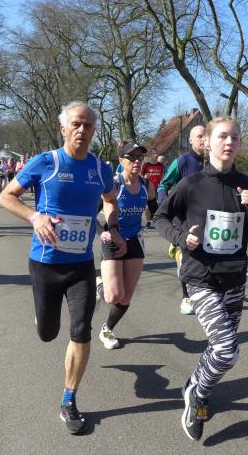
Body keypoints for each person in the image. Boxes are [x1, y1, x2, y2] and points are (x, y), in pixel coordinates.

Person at [0, 101, 125, 436]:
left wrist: (111, 226)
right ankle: (42, 315)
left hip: (81, 265)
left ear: (94, 130)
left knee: (81, 330)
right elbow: (6, 196)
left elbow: (111, 201)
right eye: (76, 124)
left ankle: (69, 398)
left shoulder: (100, 169)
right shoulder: (47, 162)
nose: (82, 130)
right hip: (45, 264)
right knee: (47, 333)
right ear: (63, 128)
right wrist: (35, 217)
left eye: (88, 125)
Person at [153, 116, 248, 441]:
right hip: (201, 277)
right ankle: (197, 395)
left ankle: (195, 385)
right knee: (228, 350)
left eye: (235, 137)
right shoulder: (191, 184)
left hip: (235, 280)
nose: (229, 142)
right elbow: (160, 217)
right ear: (207, 143)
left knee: (219, 348)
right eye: (222, 136)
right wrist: (180, 238)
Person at [96, 141, 157, 350]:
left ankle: (107, 329)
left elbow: (156, 210)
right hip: (113, 239)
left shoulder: (147, 186)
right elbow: (90, 214)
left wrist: (174, 224)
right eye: (131, 157)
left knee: (126, 296)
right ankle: (100, 285)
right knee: (113, 295)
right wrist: (102, 232)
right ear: (121, 160)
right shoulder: (113, 185)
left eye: (140, 157)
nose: (137, 161)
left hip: (134, 240)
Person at [157, 125, 207, 315]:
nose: (203, 139)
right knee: (187, 256)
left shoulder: (214, 161)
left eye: (206, 136)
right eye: (199, 136)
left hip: (206, 218)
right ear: (191, 140)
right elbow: (163, 185)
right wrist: (167, 209)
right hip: (183, 219)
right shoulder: (182, 162)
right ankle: (186, 297)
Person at [141, 148, 165, 228]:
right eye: (154, 153)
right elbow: (141, 176)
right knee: (147, 207)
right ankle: (148, 222)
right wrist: (144, 178)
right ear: (150, 155)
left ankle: (157, 220)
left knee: (159, 205)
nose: (156, 155)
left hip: (158, 188)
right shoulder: (146, 165)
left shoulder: (160, 165)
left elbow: (163, 176)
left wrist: (162, 182)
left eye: (157, 153)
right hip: (148, 188)